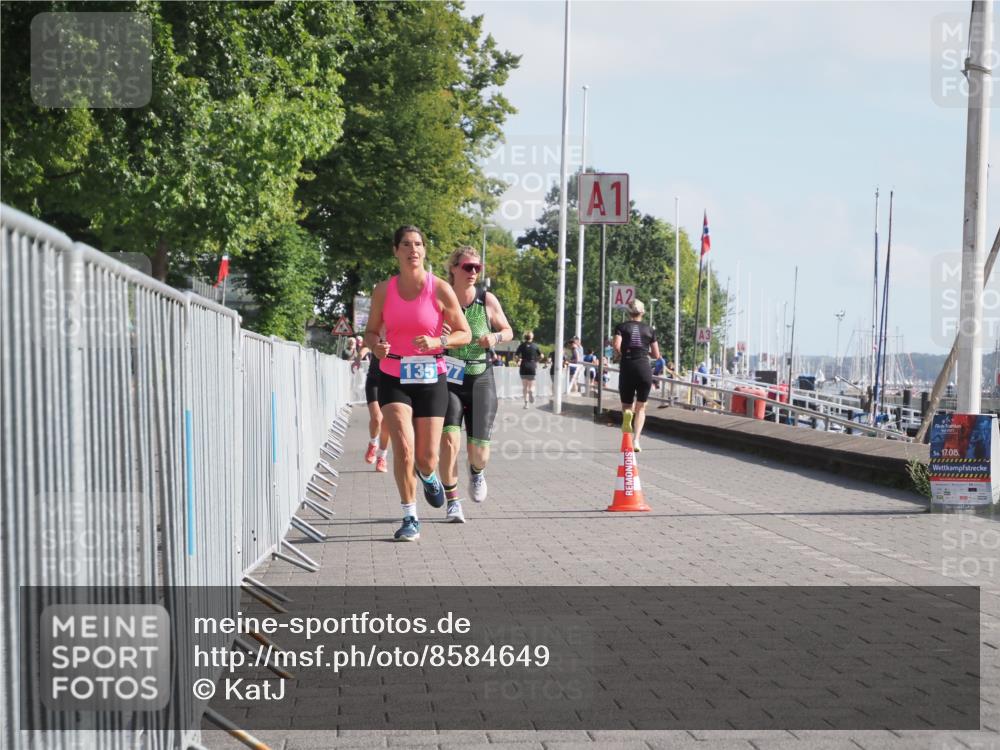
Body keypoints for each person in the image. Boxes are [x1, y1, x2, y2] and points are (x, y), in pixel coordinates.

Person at [364, 226, 471, 542]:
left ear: (425, 250)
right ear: (395, 250)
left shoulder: (439, 289)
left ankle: (429, 475)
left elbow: (463, 333)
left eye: (419, 244)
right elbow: (370, 332)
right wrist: (375, 345)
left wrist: (438, 340)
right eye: (407, 245)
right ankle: (410, 516)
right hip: (394, 374)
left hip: (430, 378)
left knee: (426, 457)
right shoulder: (383, 290)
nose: (413, 250)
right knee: (404, 447)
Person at [439, 247, 514, 521]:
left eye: (477, 268)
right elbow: (424, 330)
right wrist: (439, 332)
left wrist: (494, 338)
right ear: (454, 268)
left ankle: (477, 472)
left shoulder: (486, 299)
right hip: (449, 378)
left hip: (481, 377)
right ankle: (452, 501)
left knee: (479, 451)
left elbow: (508, 330)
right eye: (468, 267)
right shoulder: (441, 297)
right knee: (449, 441)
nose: (473, 273)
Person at [613, 298, 660, 452]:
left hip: (627, 365)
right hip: (643, 367)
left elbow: (616, 346)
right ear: (643, 312)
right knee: (641, 408)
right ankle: (636, 441)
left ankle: (627, 414)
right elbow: (656, 354)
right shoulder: (649, 330)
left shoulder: (621, 327)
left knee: (627, 404)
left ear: (628, 312)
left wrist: (622, 354)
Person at [361, 338, 390, 473]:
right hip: (374, 380)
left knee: (386, 424)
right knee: (377, 418)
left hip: (392, 381)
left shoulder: (400, 327)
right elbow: (366, 346)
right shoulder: (377, 328)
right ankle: (373, 443)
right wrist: (358, 357)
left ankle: (382, 457)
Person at [515, 331, 542, 408]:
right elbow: (542, 356)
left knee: (524, 386)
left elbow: (516, 356)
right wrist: (537, 360)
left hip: (523, 365)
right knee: (532, 384)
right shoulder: (535, 346)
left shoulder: (521, 346)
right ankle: (531, 391)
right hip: (532, 365)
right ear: (532, 337)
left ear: (525, 337)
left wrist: (518, 361)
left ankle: (526, 403)